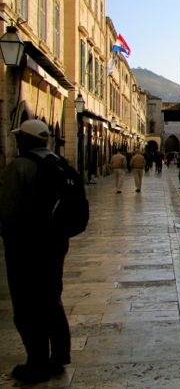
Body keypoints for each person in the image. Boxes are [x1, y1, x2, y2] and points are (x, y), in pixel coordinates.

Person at [0, 120, 73, 383]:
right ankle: (60, 354)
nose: (18, 141)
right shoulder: (59, 163)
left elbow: (7, 209)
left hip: (26, 244)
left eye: (20, 137)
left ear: (27, 140)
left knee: (27, 302)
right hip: (56, 242)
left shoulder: (19, 167)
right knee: (51, 295)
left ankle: (37, 361)